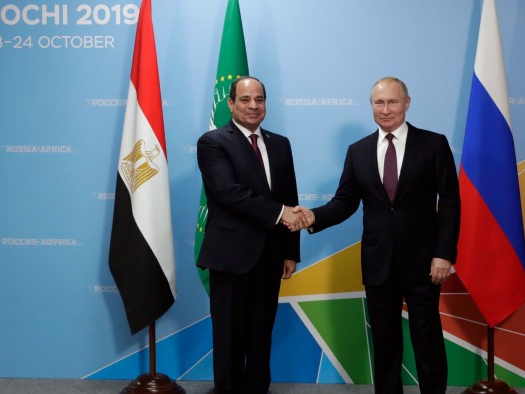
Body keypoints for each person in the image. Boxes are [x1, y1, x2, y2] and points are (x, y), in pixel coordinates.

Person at [293, 77, 461, 394]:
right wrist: (314, 216)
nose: (386, 110)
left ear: (407, 103)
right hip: (378, 261)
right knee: (384, 342)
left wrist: (444, 254)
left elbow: (450, 203)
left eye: (392, 102)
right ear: (371, 105)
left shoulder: (433, 144)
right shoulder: (358, 151)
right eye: (379, 103)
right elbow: (344, 202)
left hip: (424, 263)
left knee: (427, 340)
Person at [196, 76, 304, 394]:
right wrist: (278, 213)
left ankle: (258, 389)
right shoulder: (213, 141)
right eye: (245, 99)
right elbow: (227, 192)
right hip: (230, 255)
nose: (253, 105)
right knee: (229, 335)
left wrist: (290, 251)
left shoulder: (280, 143)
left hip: (270, 255)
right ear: (231, 104)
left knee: (261, 333)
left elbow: (289, 196)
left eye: (259, 99)